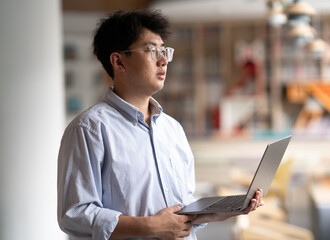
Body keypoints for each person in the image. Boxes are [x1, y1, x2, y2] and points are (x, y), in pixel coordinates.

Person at [57, 9, 264, 240]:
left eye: (164, 50)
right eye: (151, 50)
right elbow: (74, 215)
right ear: (118, 61)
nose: (163, 59)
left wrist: (226, 210)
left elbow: (182, 208)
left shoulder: (172, 128)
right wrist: (150, 227)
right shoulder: (89, 129)